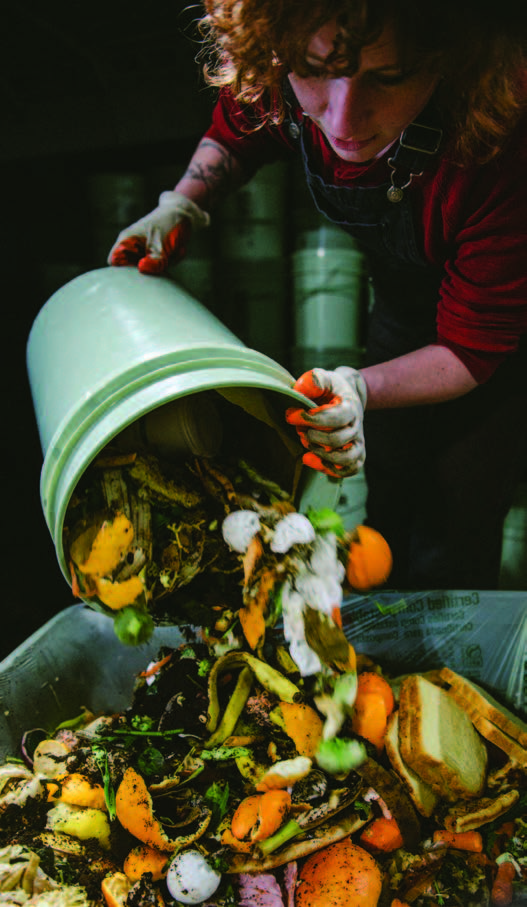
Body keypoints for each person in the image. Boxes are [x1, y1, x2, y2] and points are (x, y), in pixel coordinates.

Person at [108, 0, 527, 591]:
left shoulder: (500, 139)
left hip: (496, 341)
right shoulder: (285, 64)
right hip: (405, 307)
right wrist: (183, 203)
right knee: (390, 490)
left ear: (454, 61)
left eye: (388, 77)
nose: (344, 119)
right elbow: (237, 134)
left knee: (453, 528)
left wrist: (359, 386)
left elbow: (472, 348)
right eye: (315, 70)